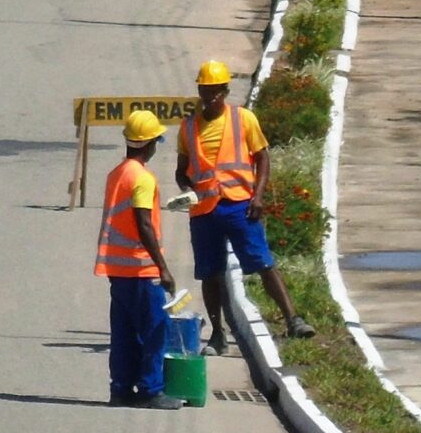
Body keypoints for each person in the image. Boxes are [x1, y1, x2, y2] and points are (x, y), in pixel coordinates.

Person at [177, 60, 313, 352]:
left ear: (225, 91)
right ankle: (217, 334)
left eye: (215, 91)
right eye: (205, 90)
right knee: (210, 274)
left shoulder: (243, 119)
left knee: (263, 263)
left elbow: (262, 157)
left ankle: (293, 320)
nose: (209, 96)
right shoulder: (188, 127)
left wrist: (258, 195)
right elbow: (182, 169)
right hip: (204, 211)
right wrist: (186, 190)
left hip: (240, 205)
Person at [96, 108, 185, 409]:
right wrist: (163, 267)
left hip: (117, 268)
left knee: (123, 334)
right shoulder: (143, 178)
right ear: (149, 143)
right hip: (141, 269)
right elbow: (143, 223)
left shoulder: (116, 174)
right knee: (154, 330)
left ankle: (120, 389)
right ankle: (150, 390)